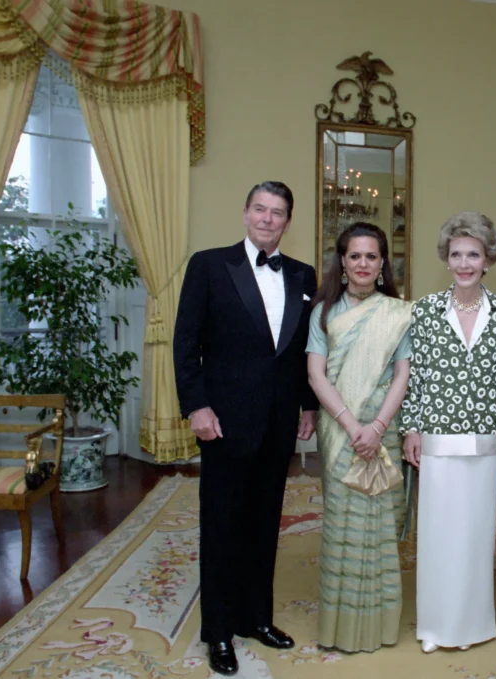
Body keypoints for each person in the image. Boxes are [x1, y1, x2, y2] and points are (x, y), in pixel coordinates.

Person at [173, 181, 318, 676]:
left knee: (263, 524)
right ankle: (217, 631)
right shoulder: (209, 265)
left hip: (278, 423)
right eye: (260, 209)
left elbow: (300, 350)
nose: (267, 219)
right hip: (224, 421)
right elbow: (185, 342)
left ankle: (257, 617)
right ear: (245, 213)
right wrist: (196, 406)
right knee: (221, 526)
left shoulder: (303, 274)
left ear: (287, 221)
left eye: (278, 213)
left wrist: (306, 405)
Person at [401, 212, 496, 653]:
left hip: (487, 441)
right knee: (437, 536)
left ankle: (473, 625)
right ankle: (435, 627)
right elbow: (414, 376)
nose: (465, 262)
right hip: (436, 437)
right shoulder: (425, 311)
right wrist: (410, 427)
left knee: (474, 535)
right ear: (446, 259)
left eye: (473, 254)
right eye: (457, 254)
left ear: (488, 260)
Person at [306, 222, 413, 653]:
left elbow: (403, 374)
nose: (364, 263)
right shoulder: (323, 313)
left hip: (383, 432)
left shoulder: (399, 311)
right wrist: (353, 427)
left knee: (381, 527)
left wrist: (379, 427)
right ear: (343, 262)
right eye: (355, 256)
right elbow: (316, 374)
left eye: (372, 256)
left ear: (382, 262)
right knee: (343, 525)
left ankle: (381, 625)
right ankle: (341, 626)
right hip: (341, 433)